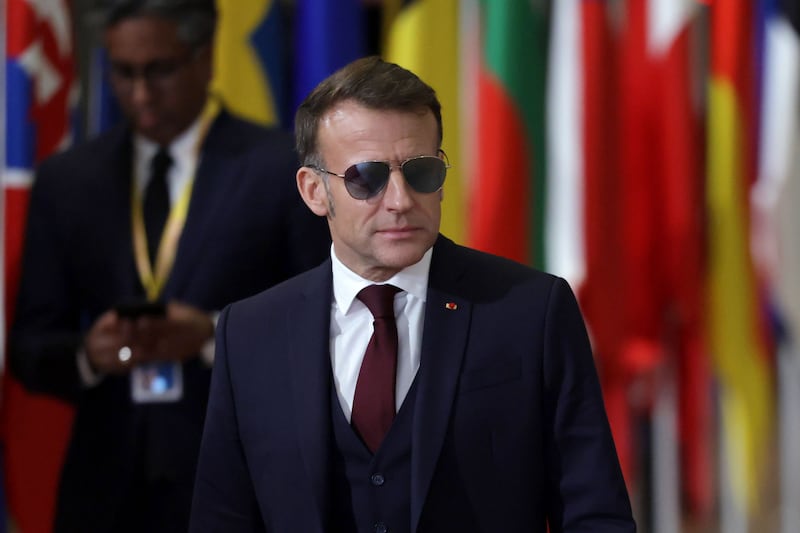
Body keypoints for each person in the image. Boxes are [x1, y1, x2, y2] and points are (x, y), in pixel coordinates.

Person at [189, 56, 636, 532]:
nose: (401, 200)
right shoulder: (252, 332)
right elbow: (223, 518)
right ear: (314, 191)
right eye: (367, 177)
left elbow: (595, 514)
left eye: (421, 172)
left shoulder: (531, 312)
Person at [8, 0, 329, 531]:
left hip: (237, 479)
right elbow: (29, 346)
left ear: (204, 59)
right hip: (103, 486)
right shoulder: (68, 181)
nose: (140, 93)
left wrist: (211, 335)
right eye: (124, 72)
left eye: (159, 70)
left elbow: (322, 320)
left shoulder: (283, 170)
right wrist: (89, 354)